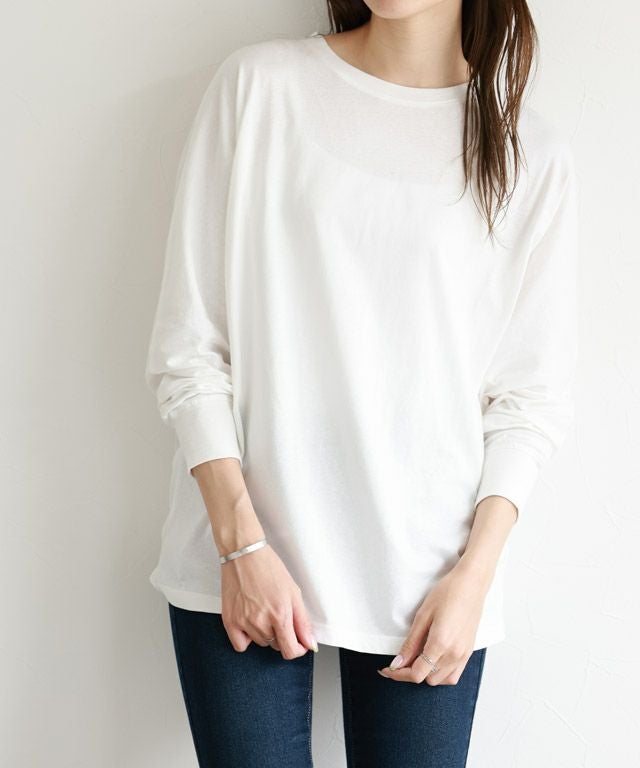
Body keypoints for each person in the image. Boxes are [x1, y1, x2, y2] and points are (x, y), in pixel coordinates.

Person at [144, 2, 579, 766]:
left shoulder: (527, 154)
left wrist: (475, 577)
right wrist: (240, 543)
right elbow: (190, 344)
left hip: (432, 587)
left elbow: (527, 399)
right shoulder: (261, 87)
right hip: (241, 560)